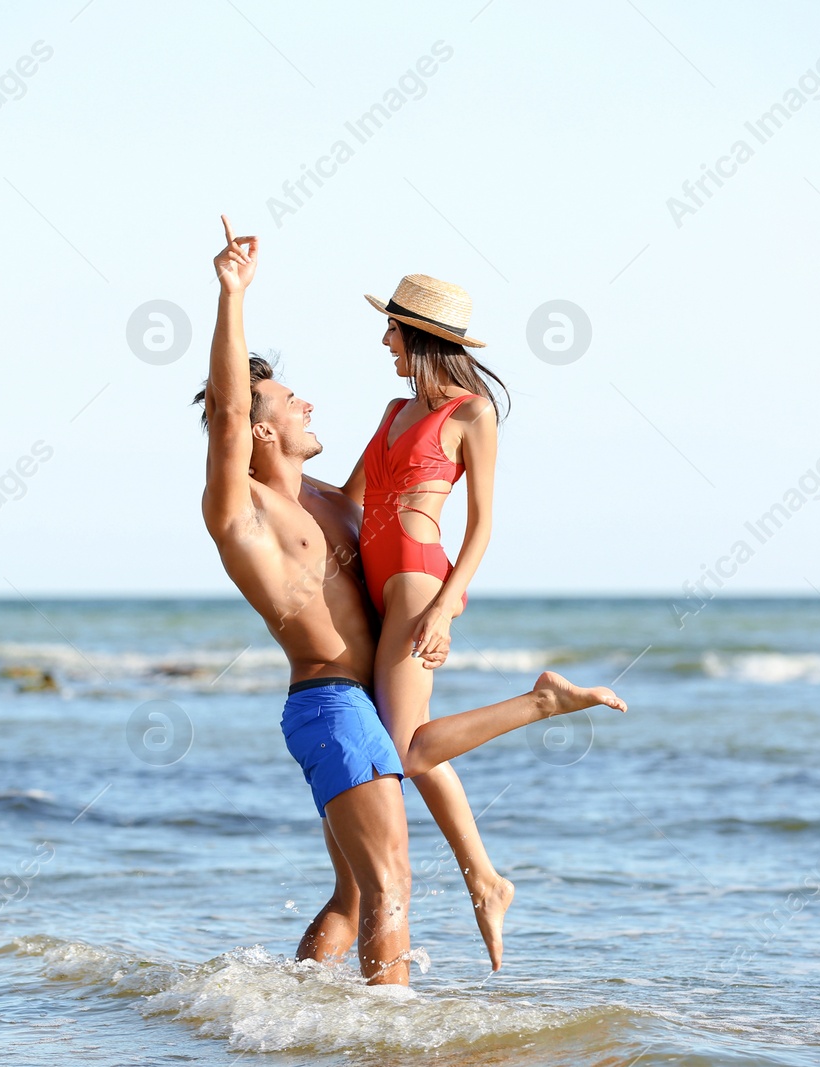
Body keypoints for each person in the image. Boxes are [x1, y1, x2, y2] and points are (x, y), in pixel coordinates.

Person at [193, 216, 625, 985]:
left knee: (357, 892)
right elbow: (227, 414)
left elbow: (411, 494)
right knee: (394, 883)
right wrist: (232, 295)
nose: (309, 406)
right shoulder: (242, 509)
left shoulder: (332, 501)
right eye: (291, 402)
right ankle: (388, 1037)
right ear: (260, 427)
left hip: (356, 695)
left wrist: (447, 591)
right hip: (332, 700)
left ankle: (291, 1023)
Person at [338, 274, 514, 970]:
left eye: (393, 330)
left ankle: (486, 878)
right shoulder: (391, 410)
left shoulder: (473, 415)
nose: (385, 341)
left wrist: (445, 603)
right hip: (378, 581)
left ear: (422, 337)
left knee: (407, 750)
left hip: (418, 581)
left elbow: (483, 527)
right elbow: (349, 496)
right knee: (404, 744)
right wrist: (259, 468)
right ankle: (483, 879)